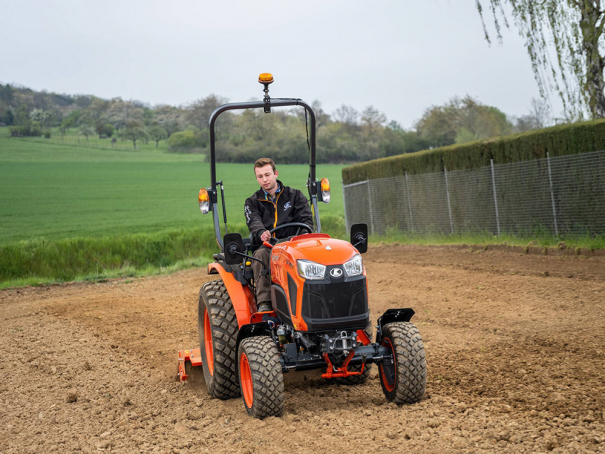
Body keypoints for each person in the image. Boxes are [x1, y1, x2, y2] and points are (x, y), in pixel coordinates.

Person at [244, 158, 313, 312]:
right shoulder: (252, 202)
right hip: (269, 246)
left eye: (267, 175)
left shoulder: (295, 196)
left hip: (294, 244)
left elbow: (307, 221)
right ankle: (264, 303)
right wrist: (262, 233)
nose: (264, 179)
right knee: (260, 255)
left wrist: (300, 238)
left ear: (275, 173)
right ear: (256, 178)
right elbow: (253, 221)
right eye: (260, 176)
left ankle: (310, 297)